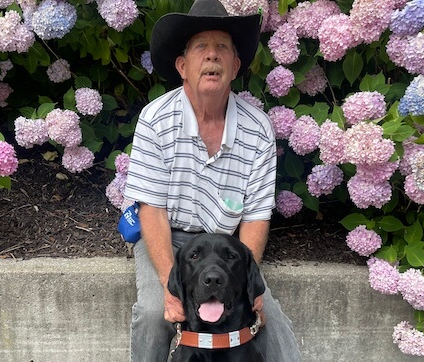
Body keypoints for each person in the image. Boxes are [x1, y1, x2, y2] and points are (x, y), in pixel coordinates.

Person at [124, 0, 301, 360]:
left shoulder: (259, 130)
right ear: (182, 66)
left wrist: (249, 285)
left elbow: (254, 218)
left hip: (225, 244)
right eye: (201, 46)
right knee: (153, 314)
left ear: (235, 66)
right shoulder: (155, 118)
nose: (212, 56)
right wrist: (170, 285)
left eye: (222, 47)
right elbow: (151, 209)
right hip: (167, 233)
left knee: (269, 319)